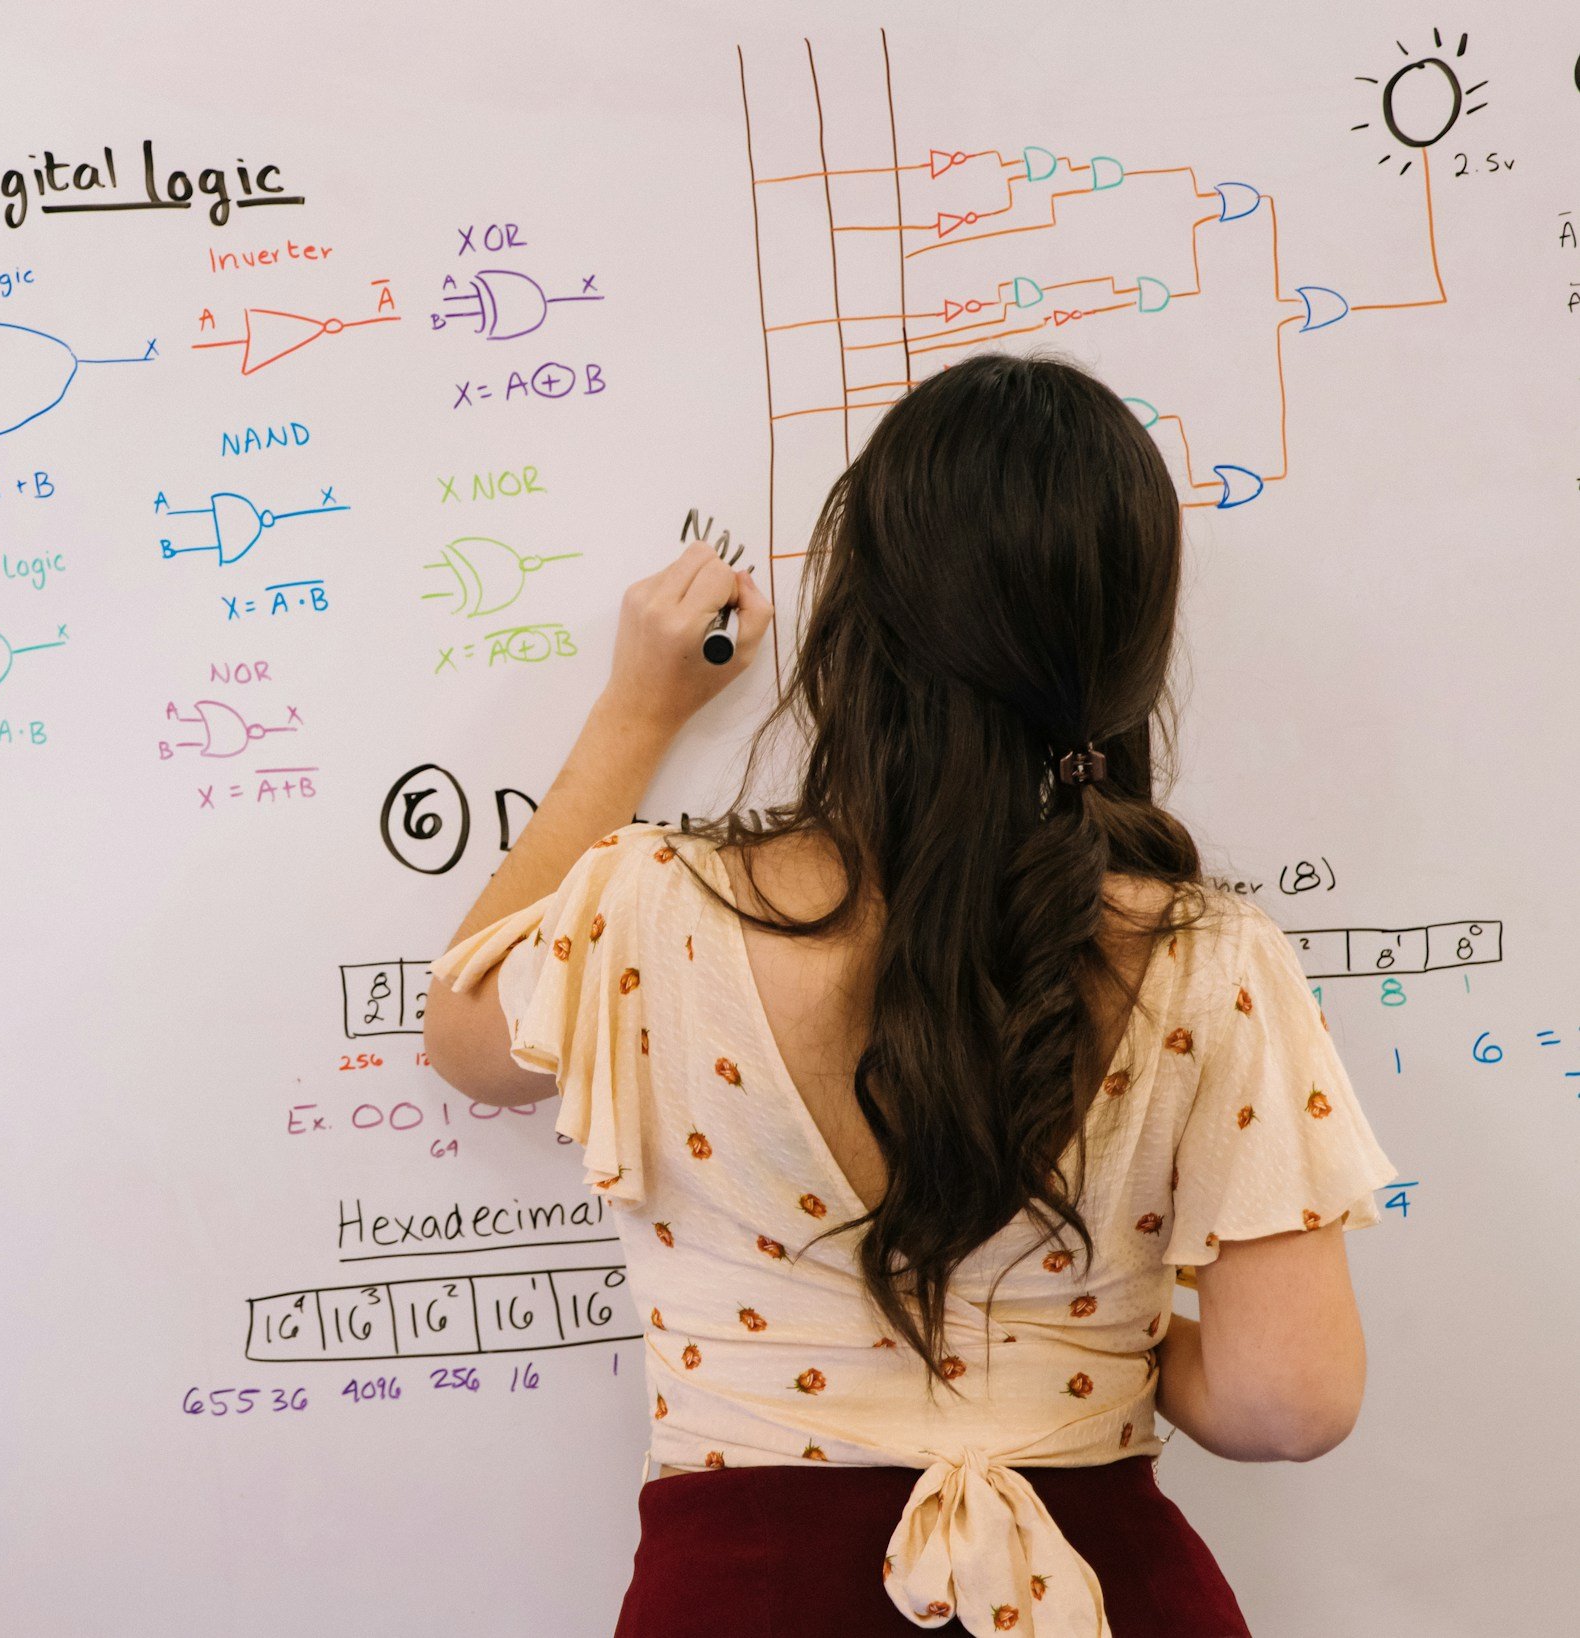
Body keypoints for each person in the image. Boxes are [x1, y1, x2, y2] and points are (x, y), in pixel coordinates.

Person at [424, 353, 1394, 1637]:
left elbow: (463, 1027)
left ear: (856, 617)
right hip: (1105, 1592)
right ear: (1125, 647)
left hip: (745, 1597)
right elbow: (1291, 1403)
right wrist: (1068, 1354)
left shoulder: (650, 909)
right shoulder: (1210, 959)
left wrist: (634, 710)